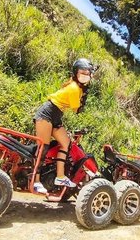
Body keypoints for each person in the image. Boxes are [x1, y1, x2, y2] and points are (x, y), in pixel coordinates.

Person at [32, 58, 94, 193]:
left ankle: (60, 176)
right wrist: (84, 96)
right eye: (82, 72)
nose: (85, 75)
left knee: (65, 143)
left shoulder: (77, 88)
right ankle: (35, 181)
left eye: (87, 73)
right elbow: (76, 109)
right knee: (43, 147)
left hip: (56, 116)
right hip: (47, 113)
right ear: (75, 73)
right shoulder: (74, 88)